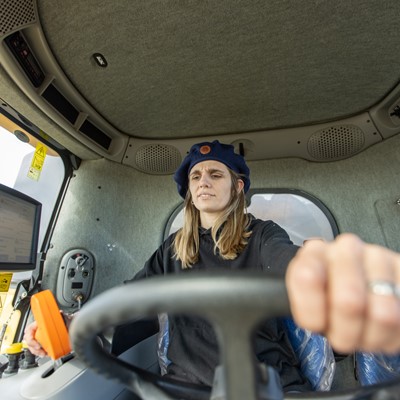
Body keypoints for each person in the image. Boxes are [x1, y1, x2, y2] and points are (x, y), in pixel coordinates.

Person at [24, 140, 400, 391]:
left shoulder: (264, 235)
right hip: (180, 391)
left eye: (216, 173)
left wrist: (321, 270)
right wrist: (74, 324)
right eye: (196, 176)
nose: (204, 181)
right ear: (188, 192)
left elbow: (291, 263)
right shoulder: (172, 251)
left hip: (270, 389)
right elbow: (129, 303)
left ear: (238, 188)